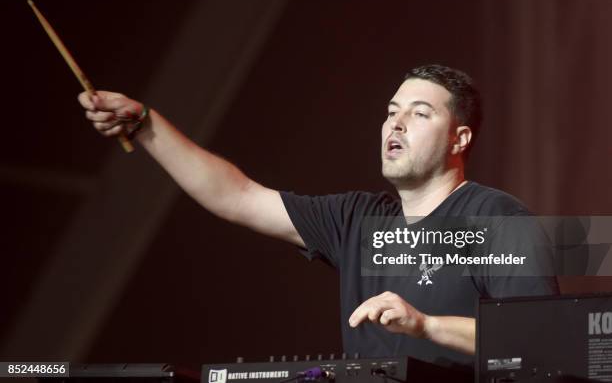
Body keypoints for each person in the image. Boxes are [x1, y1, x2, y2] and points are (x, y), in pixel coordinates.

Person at [78, 64, 559, 368]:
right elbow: (236, 197)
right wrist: (144, 123)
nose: (395, 123)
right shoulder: (357, 218)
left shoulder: (499, 219)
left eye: (419, 114)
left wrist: (426, 326)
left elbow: (541, 344)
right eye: (391, 111)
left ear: (460, 139)